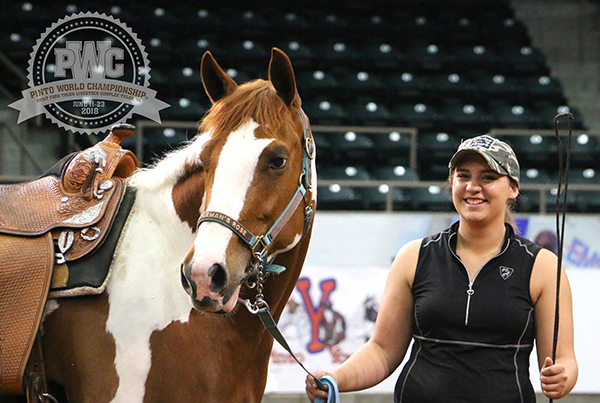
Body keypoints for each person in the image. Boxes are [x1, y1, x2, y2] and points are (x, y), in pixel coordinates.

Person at [306, 135, 578, 402]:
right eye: (463, 176)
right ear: (452, 183)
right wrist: (335, 379)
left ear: (512, 188)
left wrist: (562, 377)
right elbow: (382, 351)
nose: (473, 186)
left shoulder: (541, 266)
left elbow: (563, 359)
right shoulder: (414, 256)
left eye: (488, 177)